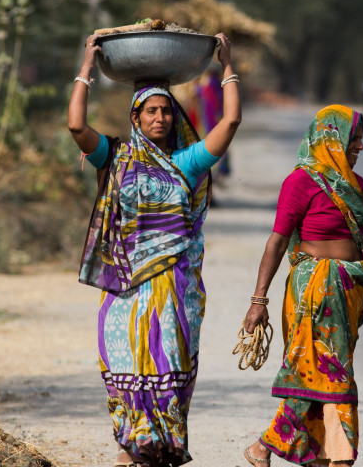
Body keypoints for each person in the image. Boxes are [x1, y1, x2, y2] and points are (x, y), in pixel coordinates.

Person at [67, 32, 241, 467]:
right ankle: (132, 454)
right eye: (151, 111)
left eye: (166, 110)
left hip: (174, 295)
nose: (160, 117)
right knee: (127, 387)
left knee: (167, 387)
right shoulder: (115, 156)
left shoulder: (186, 163)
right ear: (136, 117)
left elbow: (231, 123)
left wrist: (227, 66)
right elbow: (75, 126)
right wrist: (87, 69)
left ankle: (152, 455)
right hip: (124, 294)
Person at [241, 105, 363, 466]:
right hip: (312, 292)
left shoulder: (358, 186)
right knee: (331, 373)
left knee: (318, 373)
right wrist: (258, 299)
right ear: (332, 139)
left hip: (346, 292)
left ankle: (270, 447)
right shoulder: (301, 181)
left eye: (359, 139)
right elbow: (277, 242)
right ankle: (338, 457)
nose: (360, 146)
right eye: (353, 139)